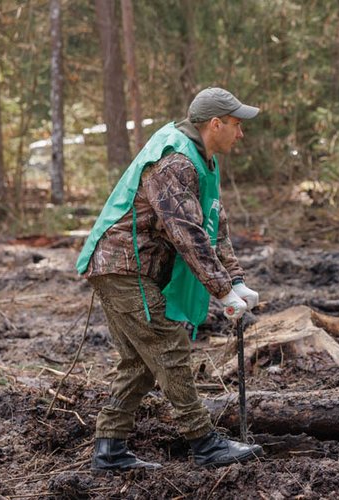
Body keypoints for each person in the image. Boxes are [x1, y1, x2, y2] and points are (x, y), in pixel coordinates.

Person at [76, 87, 264, 471]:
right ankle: (204, 442)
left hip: (128, 269)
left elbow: (214, 225)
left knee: (139, 362)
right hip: (123, 267)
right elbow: (187, 234)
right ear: (215, 124)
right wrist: (221, 291)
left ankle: (109, 449)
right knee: (169, 346)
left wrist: (236, 280)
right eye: (236, 125)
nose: (241, 133)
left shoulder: (204, 161)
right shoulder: (175, 162)